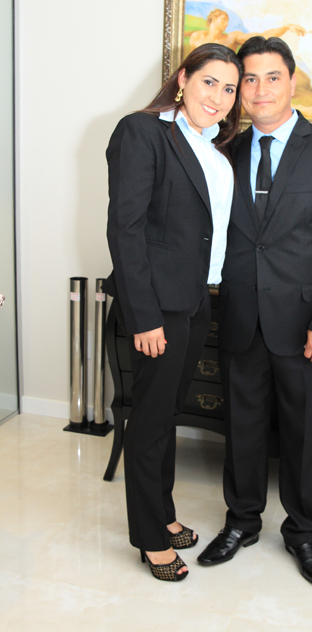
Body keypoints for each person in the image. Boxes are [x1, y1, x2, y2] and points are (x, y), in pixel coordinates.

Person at [197, 37, 312, 585]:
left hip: (306, 325)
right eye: (248, 79)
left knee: (303, 433)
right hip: (240, 317)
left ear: (292, 82)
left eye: (272, 77)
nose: (260, 89)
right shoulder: (225, 149)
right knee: (241, 429)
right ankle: (241, 522)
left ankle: (303, 532)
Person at [103, 43, 242, 582]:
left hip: (196, 300)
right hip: (157, 306)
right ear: (183, 79)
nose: (219, 97)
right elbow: (127, 229)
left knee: (166, 418)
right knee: (150, 422)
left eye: (229, 89)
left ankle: (162, 515)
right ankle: (149, 538)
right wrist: (143, 317)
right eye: (209, 82)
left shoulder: (213, 148)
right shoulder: (143, 132)